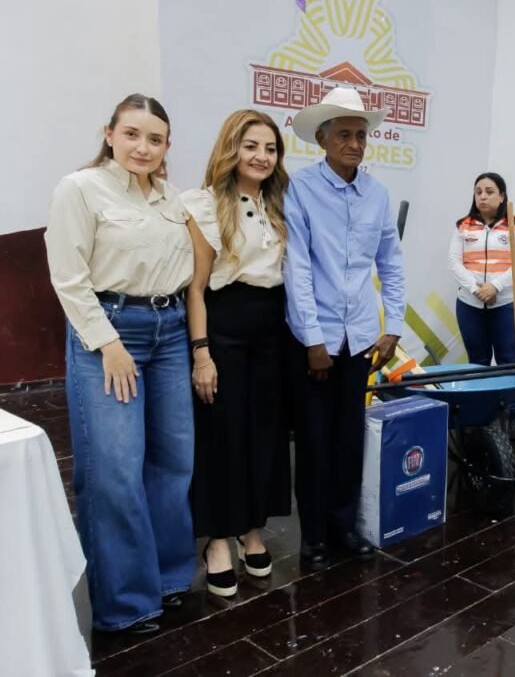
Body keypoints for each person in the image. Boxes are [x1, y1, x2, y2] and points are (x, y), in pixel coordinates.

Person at [44, 93, 195, 634]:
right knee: (114, 468)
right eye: (131, 134)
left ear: (168, 146)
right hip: (110, 332)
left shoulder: (173, 199)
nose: (142, 147)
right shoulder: (80, 188)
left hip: (170, 329)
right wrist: (107, 344)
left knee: (174, 460)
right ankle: (126, 603)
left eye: (155, 139)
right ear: (109, 133)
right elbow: (69, 277)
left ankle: (169, 577)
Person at [284, 87, 406, 571]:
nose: (355, 143)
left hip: (360, 338)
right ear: (322, 139)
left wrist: (393, 325)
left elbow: (391, 262)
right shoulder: (300, 188)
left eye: (361, 135)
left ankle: (343, 527)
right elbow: (297, 267)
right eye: (344, 135)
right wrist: (313, 339)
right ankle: (313, 536)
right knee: (314, 442)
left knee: (349, 438)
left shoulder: (377, 194)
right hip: (314, 340)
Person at [181, 110, 291, 597]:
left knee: (263, 433)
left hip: (272, 329)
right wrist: (201, 354)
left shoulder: (280, 203)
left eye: (270, 148)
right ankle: (219, 539)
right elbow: (196, 289)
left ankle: (251, 528)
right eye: (251, 146)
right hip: (223, 326)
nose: (261, 156)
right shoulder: (205, 205)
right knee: (222, 433)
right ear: (231, 148)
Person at [447, 172, 515, 437]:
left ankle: (512, 414)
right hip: (470, 304)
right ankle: (480, 415)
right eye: (478, 192)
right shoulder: (463, 225)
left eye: (490, 191)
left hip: (506, 303)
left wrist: (495, 286)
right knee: (478, 362)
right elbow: (454, 262)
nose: (483, 196)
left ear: (502, 196)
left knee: (509, 361)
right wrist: (477, 289)